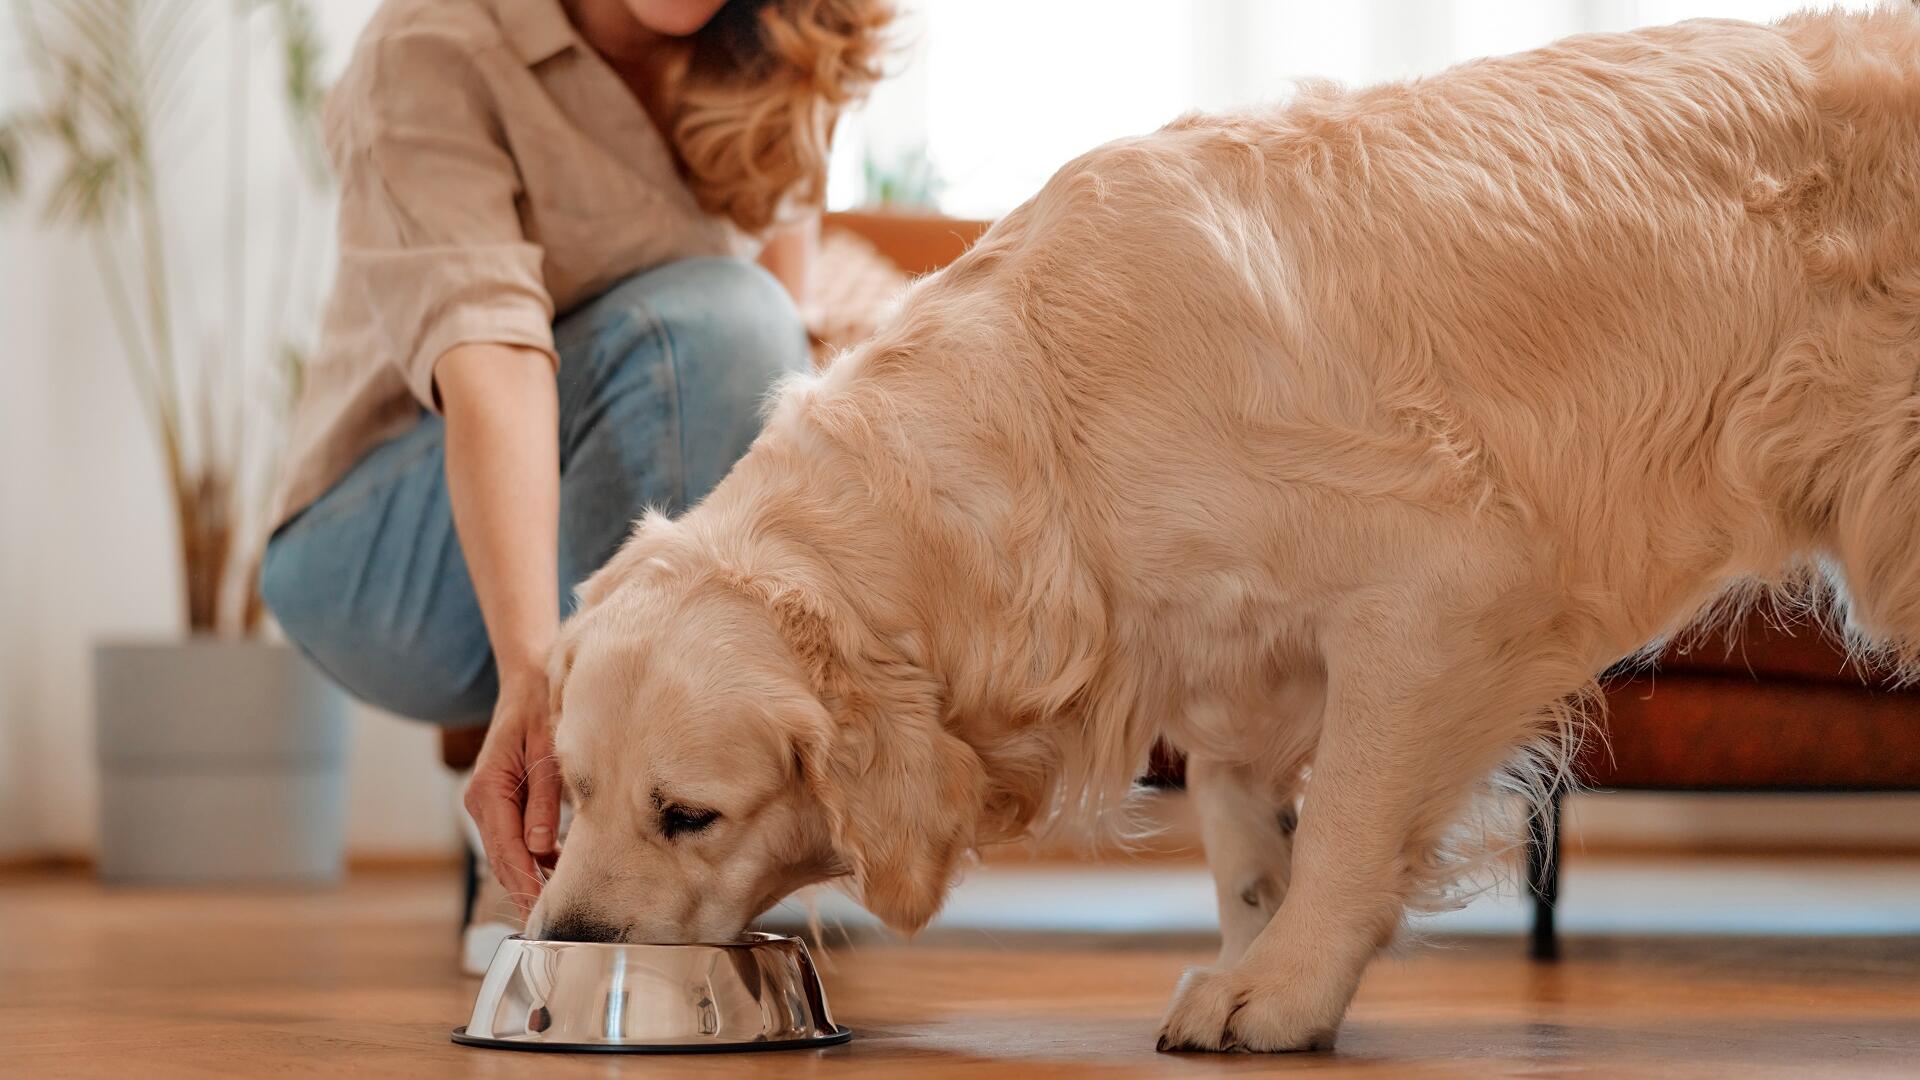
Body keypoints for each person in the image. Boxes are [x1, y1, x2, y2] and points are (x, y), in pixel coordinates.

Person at [260, 0, 893, 969]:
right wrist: (537, 672)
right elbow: (493, 365)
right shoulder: (433, 42)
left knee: (748, 333)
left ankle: (654, 867)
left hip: (607, 497)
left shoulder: (788, 40)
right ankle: (559, 856)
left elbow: (781, 367)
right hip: (383, 554)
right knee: (710, 330)